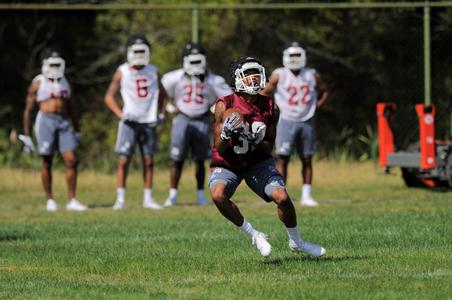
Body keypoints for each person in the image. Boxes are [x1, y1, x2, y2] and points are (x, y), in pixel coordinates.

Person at [208, 56, 326, 257]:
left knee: (283, 198)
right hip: (229, 162)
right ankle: (255, 235)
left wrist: (253, 139)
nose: (253, 78)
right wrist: (227, 133)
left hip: (256, 162)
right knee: (218, 195)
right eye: (248, 74)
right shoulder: (224, 104)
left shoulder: (271, 107)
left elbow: (268, 147)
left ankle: (296, 241)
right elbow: (219, 147)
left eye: (256, 73)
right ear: (237, 78)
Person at [161, 43, 232, 207]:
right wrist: (171, 108)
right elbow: (160, 92)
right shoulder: (174, 77)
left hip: (202, 119)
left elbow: (228, 99)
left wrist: (214, 109)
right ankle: (172, 195)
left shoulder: (213, 79)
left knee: (200, 160)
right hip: (182, 119)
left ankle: (200, 195)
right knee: (177, 159)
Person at [262, 41, 329, 207]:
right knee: (282, 158)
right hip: (286, 120)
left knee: (307, 158)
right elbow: (264, 92)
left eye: (297, 55)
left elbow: (325, 90)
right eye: (291, 55)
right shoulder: (279, 74)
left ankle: (306, 195)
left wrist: (316, 107)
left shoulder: (312, 74)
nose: (294, 59)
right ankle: (281, 192)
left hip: (307, 120)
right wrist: (272, 109)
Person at [104, 33, 167, 210]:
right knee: (123, 161)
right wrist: (120, 114)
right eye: (136, 51)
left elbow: (164, 94)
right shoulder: (122, 71)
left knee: (148, 160)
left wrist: (161, 113)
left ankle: (148, 198)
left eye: (142, 51)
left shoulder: (153, 70)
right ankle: (120, 199)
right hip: (129, 123)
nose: (139, 55)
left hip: (148, 122)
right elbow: (109, 97)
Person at [21, 47, 87, 212]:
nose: (56, 68)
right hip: (45, 121)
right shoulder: (38, 83)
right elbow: (28, 110)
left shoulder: (65, 81)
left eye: (59, 64)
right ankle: (50, 199)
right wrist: (27, 135)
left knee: (71, 160)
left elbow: (71, 108)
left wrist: (77, 129)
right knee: (47, 161)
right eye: (53, 64)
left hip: (63, 122)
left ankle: (72, 199)